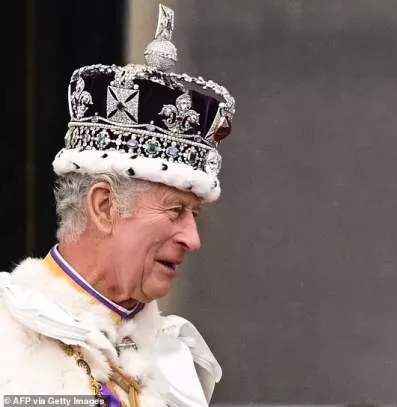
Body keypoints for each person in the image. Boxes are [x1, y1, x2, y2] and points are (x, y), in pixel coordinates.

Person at [0, 5, 234, 407]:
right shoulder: (8, 333)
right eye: (175, 211)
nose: (193, 239)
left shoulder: (172, 359)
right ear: (105, 206)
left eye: (195, 215)